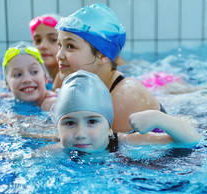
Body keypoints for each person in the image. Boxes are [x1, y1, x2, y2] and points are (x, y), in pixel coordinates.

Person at [55, 3, 168, 133]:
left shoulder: (124, 95)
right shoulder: (66, 79)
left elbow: (107, 149)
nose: (59, 55)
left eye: (70, 46)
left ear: (102, 55)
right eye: (59, 45)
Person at [52, 70, 201, 153]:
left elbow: (192, 140)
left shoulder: (125, 142)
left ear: (110, 128)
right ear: (57, 127)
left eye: (92, 121)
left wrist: (159, 118)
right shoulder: (54, 152)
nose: (80, 134)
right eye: (70, 123)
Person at [2, 41, 57, 111]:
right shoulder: (16, 98)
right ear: (7, 85)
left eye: (34, 72)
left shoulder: (51, 104)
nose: (27, 79)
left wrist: (15, 117)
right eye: (18, 75)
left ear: (46, 78)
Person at [29, 14, 61, 90]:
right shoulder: (29, 75)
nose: (43, 46)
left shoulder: (68, 77)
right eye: (38, 40)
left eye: (53, 40)